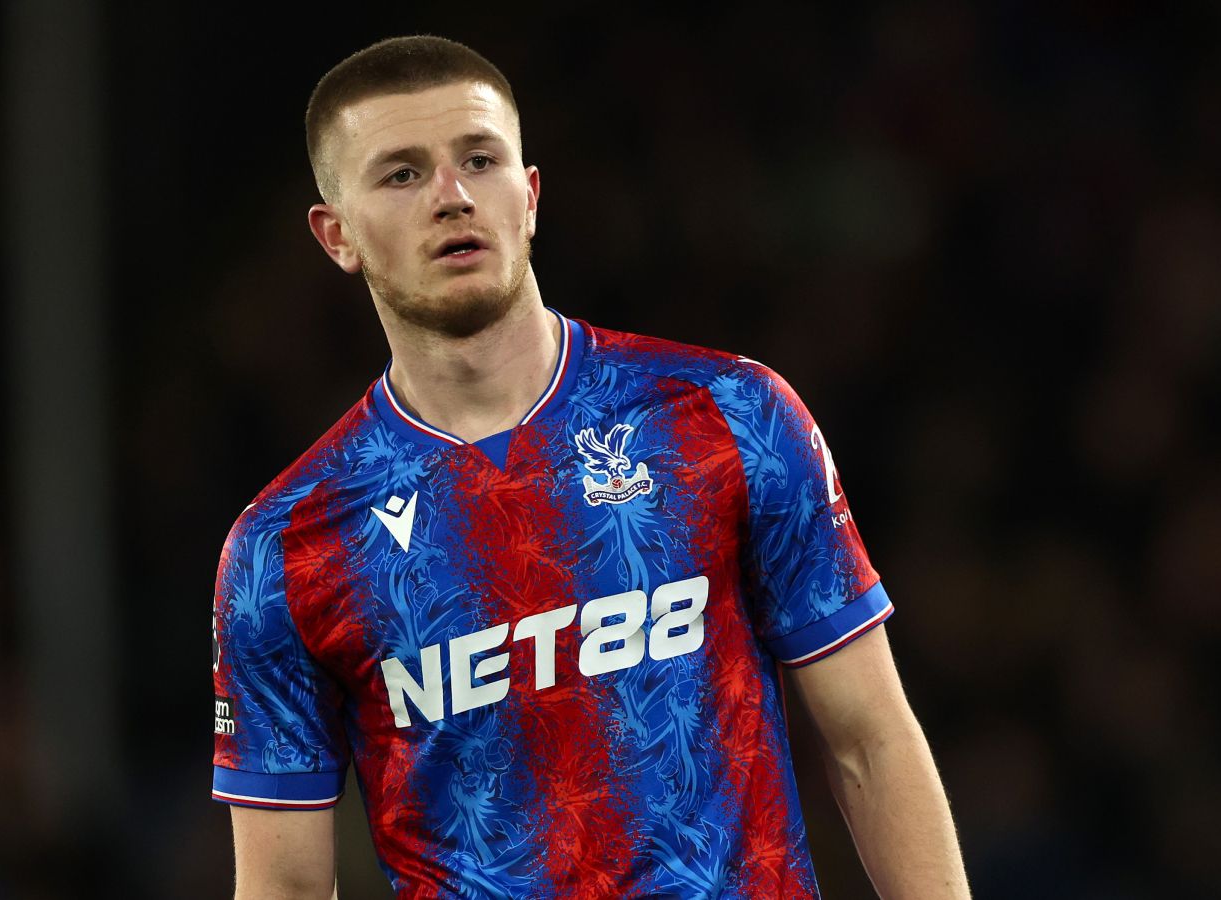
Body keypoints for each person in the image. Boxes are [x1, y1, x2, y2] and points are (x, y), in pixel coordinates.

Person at [211, 33, 970, 899]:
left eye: (480, 159)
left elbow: (870, 742)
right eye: (402, 174)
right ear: (337, 235)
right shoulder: (286, 547)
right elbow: (285, 885)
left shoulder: (728, 416)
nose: (453, 196)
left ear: (529, 195)